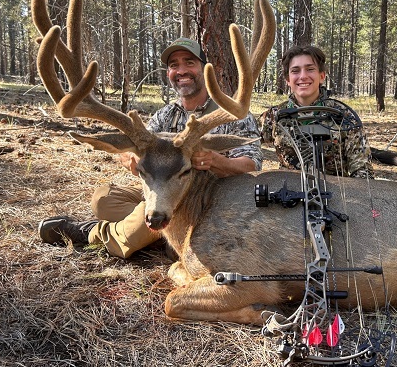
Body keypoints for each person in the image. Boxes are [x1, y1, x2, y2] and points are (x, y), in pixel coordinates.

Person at [38, 37, 263, 258]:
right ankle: (168, 237)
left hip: (208, 199)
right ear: (169, 74)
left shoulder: (230, 113)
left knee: (144, 223)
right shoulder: (166, 114)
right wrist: (127, 156)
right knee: (103, 200)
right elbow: (136, 147)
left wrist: (216, 161)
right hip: (159, 189)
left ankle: (92, 233)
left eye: (190, 62)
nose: (182, 70)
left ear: (204, 69)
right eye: (174, 65)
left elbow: (253, 164)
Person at [259, 44, 373, 178]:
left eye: (310, 69)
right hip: (288, 192)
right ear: (288, 80)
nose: (303, 76)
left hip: (334, 194)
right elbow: (246, 143)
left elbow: (363, 172)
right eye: (295, 71)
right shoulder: (274, 116)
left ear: (322, 76)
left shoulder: (344, 116)